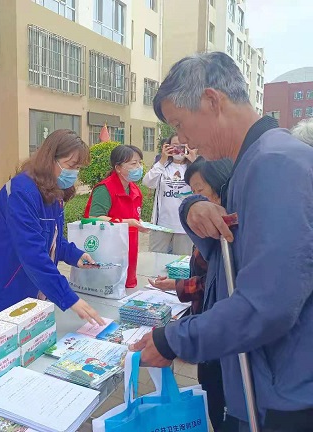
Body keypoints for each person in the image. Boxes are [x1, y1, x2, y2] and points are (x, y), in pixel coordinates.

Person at [132, 52, 313, 432]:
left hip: (281, 392)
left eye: (180, 124)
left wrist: (173, 341)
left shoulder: (276, 164)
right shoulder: (252, 162)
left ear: (212, 101)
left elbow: (266, 305)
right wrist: (193, 206)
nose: (182, 139)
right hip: (256, 379)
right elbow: (224, 248)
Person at [0, 129, 105, 328]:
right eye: (70, 166)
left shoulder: (53, 191)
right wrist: (68, 297)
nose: (74, 174)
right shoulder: (21, 192)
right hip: (0, 295)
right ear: (50, 159)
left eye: (78, 168)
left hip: (29, 292)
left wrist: (75, 255)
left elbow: (52, 238)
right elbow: (32, 251)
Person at [148, 156, 233, 430]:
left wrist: (175, 339)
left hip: (222, 344)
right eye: (191, 192)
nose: (195, 200)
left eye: (200, 191)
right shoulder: (210, 228)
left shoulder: (231, 235)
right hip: (208, 338)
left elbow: (214, 284)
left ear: (222, 188)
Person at [84, 145, 149, 288]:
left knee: (126, 286)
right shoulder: (105, 189)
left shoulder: (135, 190)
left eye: (140, 163)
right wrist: (126, 222)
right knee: (109, 287)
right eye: (133, 163)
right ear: (118, 168)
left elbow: (133, 217)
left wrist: (140, 224)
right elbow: (93, 218)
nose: (138, 167)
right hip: (108, 249)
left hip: (129, 247)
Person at [143, 134, 197, 255]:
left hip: (184, 226)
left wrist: (195, 162)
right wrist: (162, 160)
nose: (178, 149)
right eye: (174, 146)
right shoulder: (162, 166)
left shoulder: (193, 168)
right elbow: (148, 182)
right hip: (161, 225)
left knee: (182, 262)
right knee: (156, 259)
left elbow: (205, 186)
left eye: (182, 146)